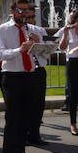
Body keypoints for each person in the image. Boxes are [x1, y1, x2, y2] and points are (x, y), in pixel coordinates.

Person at [0, 0, 42, 153]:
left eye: (26, 11)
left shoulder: (32, 29)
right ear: (12, 11)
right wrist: (18, 50)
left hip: (30, 75)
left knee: (26, 119)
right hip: (12, 76)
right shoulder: (3, 29)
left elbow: (43, 56)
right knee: (13, 119)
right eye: (20, 11)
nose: (23, 14)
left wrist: (38, 45)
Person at [58, 8, 78, 136]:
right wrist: (66, 34)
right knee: (73, 94)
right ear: (74, 20)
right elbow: (61, 48)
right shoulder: (67, 30)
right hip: (73, 63)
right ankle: (73, 123)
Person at [24, 9, 50, 146]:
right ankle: (25, 134)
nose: (30, 19)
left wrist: (38, 41)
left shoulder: (39, 30)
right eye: (27, 17)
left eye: (32, 16)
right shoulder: (18, 30)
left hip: (39, 69)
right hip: (25, 71)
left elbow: (48, 52)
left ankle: (35, 134)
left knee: (39, 104)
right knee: (26, 105)